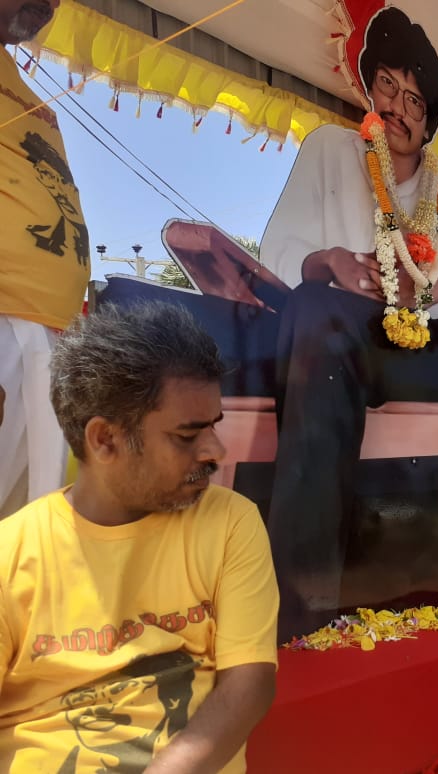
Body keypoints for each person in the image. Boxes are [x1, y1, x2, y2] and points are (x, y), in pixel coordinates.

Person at [259, 7, 438, 632]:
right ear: (371, 89)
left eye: (415, 100)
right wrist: (328, 262)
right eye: (389, 86)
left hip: (428, 355)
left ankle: (303, 601)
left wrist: (437, 285)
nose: (398, 106)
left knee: (319, 321)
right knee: (313, 310)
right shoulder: (328, 151)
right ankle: (303, 601)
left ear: (430, 118)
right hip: (334, 334)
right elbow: (277, 254)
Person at [0, 302, 280, 772]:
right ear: (105, 440)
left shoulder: (229, 522)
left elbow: (249, 684)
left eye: (214, 426)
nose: (216, 451)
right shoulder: (12, 553)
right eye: (186, 436)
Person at [1, 0, 91, 518]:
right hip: (4, 320)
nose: (51, 3)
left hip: (51, 334)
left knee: (27, 526)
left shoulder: (24, 87)